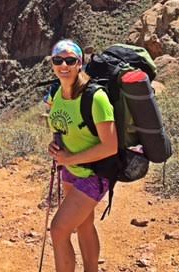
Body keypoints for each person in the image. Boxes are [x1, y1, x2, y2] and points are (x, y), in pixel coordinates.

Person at [46, 39, 118, 272]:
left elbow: (110, 146)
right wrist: (56, 148)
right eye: (58, 60)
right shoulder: (56, 92)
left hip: (94, 173)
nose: (64, 65)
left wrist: (69, 159)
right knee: (84, 225)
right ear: (52, 63)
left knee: (58, 229)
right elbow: (63, 126)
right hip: (71, 170)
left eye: (70, 60)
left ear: (80, 63)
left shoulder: (95, 98)